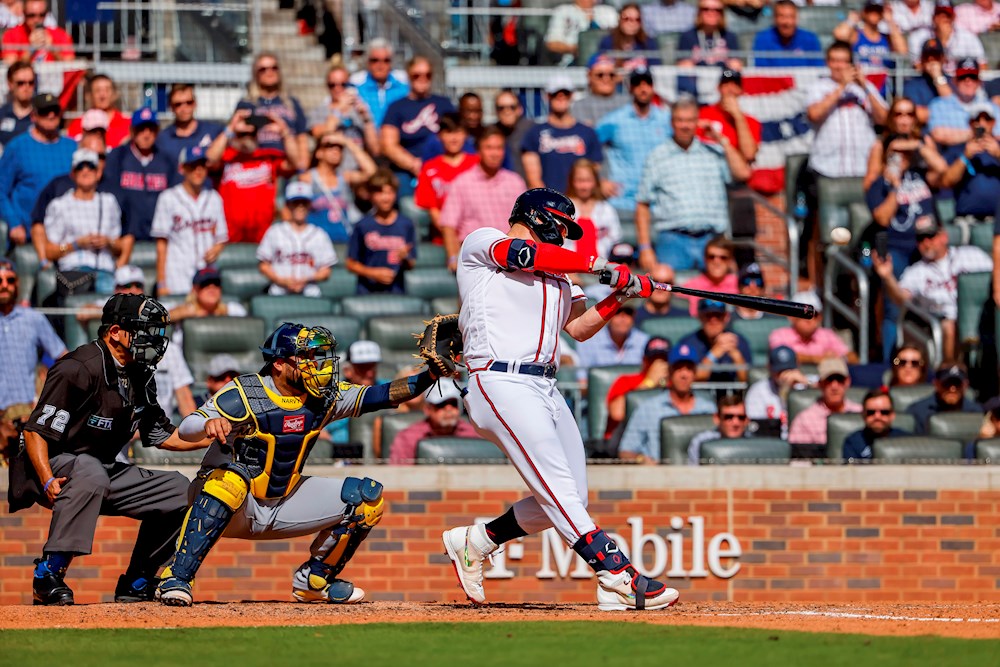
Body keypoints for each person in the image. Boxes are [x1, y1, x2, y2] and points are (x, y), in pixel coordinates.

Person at [441, 187, 682, 611]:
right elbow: (522, 254)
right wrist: (599, 265)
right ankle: (616, 574)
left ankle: (476, 541)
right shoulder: (482, 242)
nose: (565, 234)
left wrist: (622, 295)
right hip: (499, 379)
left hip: (546, 386)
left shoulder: (561, 273)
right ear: (538, 216)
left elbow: (580, 328)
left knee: (572, 496)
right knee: (560, 491)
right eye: (562, 225)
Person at [155, 322, 445, 606]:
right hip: (230, 504)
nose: (315, 364)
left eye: (315, 356)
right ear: (279, 364)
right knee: (230, 481)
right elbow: (188, 427)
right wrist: (208, 423)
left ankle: (314, 582)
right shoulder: (245, 392)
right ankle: (177, 577)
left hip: (284, 498)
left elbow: (381, 395)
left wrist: (430, 375)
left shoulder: (325, 396)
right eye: (304, 357)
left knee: (366, 500)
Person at [9, 294, 210, 605]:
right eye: (144, 330)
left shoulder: (140, 373)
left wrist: (217, 436)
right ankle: (48, 574)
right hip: (49, 465)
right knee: (90, 470)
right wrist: (47, 480)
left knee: (179, 490)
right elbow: (35, 432)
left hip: (100, 469)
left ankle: (137, 580)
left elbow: (163, 435)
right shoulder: (77, 367)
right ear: (115, 332)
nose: (153, 339)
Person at [635, 95, 751, 272]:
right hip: (673, 240)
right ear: (672, 122)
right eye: (680, 120)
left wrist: (721, 139)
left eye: (690, 120)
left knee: (720, 288)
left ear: (698, 122)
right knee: (670, 288)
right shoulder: (656, 156)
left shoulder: (713, 152)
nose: (685, 125)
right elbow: (643, 204)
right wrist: (645, 247)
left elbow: (743, 173)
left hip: (712, 239)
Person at [873, 216, 992, 362]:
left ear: (944, 236)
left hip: (980, 318)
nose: (926, 242)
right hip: (940, 322)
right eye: (921, 239)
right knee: (950, 325)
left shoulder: (971, 255)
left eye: (930, 236)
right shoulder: (916, 271)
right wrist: (888, 277)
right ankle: (950, 369)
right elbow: (900, 298)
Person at [207, 103, 300, 243]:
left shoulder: (268, 157)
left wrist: (284, 131)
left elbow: (295, 162)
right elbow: (210, 160)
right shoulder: (226, 157)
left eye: (252, 134)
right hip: (229, 237)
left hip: (263, 237)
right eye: (242, 134)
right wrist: (230, 128)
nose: (247, 138)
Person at [439, 126, 526, 272]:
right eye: (489, 148)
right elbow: (448, 226)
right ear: (479, 151)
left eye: (499, 148)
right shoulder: (462, 183)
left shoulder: (515, 182)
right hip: (476, 260)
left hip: (511, 258)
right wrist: (453, 258)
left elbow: (525, 224)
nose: (495, 153)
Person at [40, 148, 125, 294]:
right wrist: (76, 244)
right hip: (74, 271)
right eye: (80, 167)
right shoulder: (60, 205)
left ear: (98, 173)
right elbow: (49, 251)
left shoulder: (109, 202)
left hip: (105, 270)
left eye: (90, 167)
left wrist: (107, 242)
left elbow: (119, 247)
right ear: (73, 174)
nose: (85, 171)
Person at [103, 108, 181, 264]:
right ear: (132, 131)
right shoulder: (117, 157)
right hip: (124, 239)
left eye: (151, 129)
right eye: (141, 129)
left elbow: (176, 198)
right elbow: (109, 197)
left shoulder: (167, 161)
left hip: (159, 238)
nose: (146, 134)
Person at [619, 343, 716, 464]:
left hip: (700, 473)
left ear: (695, 373)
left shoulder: (709, 408)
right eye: (678, 368)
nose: (684, 375)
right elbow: (625, 451)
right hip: (658, 472)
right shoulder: (648, 408)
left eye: (689, 369)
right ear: (669, 371)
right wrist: (642, 459)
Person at [151, 145, 228, 297]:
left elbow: (221, 237)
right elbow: (161, 244)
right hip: (177, 272)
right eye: (193, 166)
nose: (198, 171)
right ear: (182, 168)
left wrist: (217, 249)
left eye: (202, 166)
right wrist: (161, 282)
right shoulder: (168, 198)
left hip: (207, 273)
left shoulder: (214, 198)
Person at [0, 92, 75, 247]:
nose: (51, 115)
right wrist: (14, 223)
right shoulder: (17, 147)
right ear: (33, 116)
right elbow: (1, 189)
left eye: (55, 111)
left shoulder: (72, 147)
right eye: (44, 111)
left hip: (66, 236)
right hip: (27, 235)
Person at [596, 66, 672, 215]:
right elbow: (587, 145)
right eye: (637, 84)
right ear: (630, 88)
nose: (643, 88)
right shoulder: (614, 120)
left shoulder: (666, 120)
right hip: (623, 202)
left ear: (653, 87)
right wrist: (599, 181)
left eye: (647, 83)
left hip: (659, 202)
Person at [0, 258, 66, 419]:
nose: (4, 285)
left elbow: (64, 358)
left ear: (17, 283)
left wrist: (48, 392)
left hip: (28, 412)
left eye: (10, 280)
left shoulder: (33, 318)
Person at [380, 56, 454, 196]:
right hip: (407, 169)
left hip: (442, 166)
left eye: (427, 75)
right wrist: (414, 164)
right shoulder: (396, 107)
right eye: (417, 75)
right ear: (409, 76)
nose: (422, 79)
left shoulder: (444, 104)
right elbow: (388, 145)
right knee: (406, 201)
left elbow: (456, 134)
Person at [522, 74, 603, 192]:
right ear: (547, 96)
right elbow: (534, 180)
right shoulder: (534, 133)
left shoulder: (587, 132)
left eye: (566, 93)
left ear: (572, 95)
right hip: (549, 199)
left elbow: (594, 171)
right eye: (555, 93)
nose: (561, 97)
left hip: (580, 199)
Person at [257, 182, 339, 297]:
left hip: (310, 291)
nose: (300, 207)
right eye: (296, 203)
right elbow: (263, 265)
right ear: (288, 205)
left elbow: (326, 271)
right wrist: (281, 280)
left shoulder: (319, 234)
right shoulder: (275, 231)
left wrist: (306, 279)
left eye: (304, 203)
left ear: (309, 204)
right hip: (279, 291)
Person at [346, 169, 416, 295]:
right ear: (371, 195)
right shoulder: (362, 225)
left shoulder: (406, 224)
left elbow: (411, 263)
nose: (385, 198)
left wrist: (405, 257)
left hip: (396, 292)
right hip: (367, 292)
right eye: (380, 192)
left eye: (390, 192)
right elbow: (350, 263)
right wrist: (373, 273)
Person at [301, 131, 376, 244]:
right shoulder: (307, 178)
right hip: (315, 243)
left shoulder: (344, 177)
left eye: (340, 148)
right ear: (318, 153)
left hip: (343, 240)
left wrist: (348, 142)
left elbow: (371, 172)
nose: (336, 150)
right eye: (330, 146)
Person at [414, 112, 479, 239]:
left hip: (475, 235)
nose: (454, 138)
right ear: (440, 136)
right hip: (443, 238)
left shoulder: (477, 164)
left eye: (458, 132)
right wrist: (452, 239)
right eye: (449, 132)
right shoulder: (429, 168)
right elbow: (433, 211)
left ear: (466, 134)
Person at [242, 52, 309, 172]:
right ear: (255, 74)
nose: (269, 72)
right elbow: (241, 140)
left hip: (289, 163)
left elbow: (302, 137)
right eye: (263, 69)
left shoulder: (291, 103)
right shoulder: (247, 104)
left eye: (274, 68)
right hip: (259, 166)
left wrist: (303, 167)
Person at [389, 382, 481, 464]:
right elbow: (399, 473)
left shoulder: (475, 435)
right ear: (427, 409)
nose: (448, 409)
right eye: (441, 404)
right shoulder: (408, 438)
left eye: (453, 403)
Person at [927, 59, 1000, 162]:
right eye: (963, 77)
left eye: (973, 77)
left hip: (985, 163)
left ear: (979, 82)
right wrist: (977, 133)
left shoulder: (991, 107)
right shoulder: (939, 105)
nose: (968, 81)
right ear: (954, 81)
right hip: (952, 162)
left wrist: (958, 134)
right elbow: (938, 134)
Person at [938, 100, 1000, 219]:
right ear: (970, 123)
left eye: (987, 119)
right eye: (977, 119)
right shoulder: (959, 149)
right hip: (968, 220)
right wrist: (964, 157)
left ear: (994, 122)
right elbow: (946, 182)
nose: (981, 124)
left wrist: (998, 154)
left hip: (997, 220)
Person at [604, 336, 670, 439]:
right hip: (624, 438)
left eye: (664, 360)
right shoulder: (626, 381)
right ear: (644, 361)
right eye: (653, 360)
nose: (658, 366)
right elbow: (617, 413)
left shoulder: (674, 384)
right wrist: (649, 383)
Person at [788, 358, 862, 449]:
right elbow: (799, 455)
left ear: (847, 382)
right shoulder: (804, 420)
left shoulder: (862, 413)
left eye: (840, 379)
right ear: (820, 384)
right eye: (829, 380)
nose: (834, 386)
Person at [308, 62, 379, 157]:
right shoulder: (319, 110)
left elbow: (375, 150)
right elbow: (319, 134)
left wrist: (366, 119)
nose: (337, 88)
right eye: (332, 85)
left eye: (343, 84)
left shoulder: (359, 111)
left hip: (357, 165)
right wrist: (339, 109)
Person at [695, 68, 761, 166]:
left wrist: (738, 116)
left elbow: (749, 155)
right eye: (726, 84)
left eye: (735, 85)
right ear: (719, 88)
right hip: (705, 166)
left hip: (735, 171)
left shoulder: (751, 121)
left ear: (741, 90)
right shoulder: (702, 114)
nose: (730, 89)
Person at [768, 291, 856, 364]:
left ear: (820, 317)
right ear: (791, 317)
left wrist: (840, 359)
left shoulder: (827, 335)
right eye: (803, 314)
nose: (809, 319)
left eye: (814, 314)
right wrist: (820, 359)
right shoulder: (779, 335)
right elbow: (780, 357)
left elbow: (853, 357)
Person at [676, 299, 752, 383]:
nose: (713, 321)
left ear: (726, 317)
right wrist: (714, 354)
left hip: (732, 391)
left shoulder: (738, 341)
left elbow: (745, 380)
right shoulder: (688, 344)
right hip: (700, 391)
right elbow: (689, 379)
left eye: (718, 316)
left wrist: (736, 354)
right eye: (708, 316)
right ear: (700, 317)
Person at [745, 345, 809, 438]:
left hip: (803, 439)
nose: (784, 375)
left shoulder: (807, 384)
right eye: (779, 371)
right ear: (769, 368)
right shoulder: (758, 390)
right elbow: (755, 426)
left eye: (788, 370)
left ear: (797, 366)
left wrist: (808, 387)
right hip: (772, 440)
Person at [564, 159, 621, 259]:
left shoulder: (606, 210)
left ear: (595, 182)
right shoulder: (563, 209)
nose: (584, 187)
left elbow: (616, 240)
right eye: (580, 181)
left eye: (588, 180)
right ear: (572, 181)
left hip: (601, 264)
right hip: (568, 264)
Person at [907, 0, 985, 73]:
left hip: (960, 79)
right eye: (940, 15)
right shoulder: (918, 37)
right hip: (929, 79)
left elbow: (983, 66)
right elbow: (917, 68)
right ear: (933, 18)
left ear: (953, 17)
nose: (944, 19)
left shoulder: (968, 37)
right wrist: (942, 40)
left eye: (947, 15)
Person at [155, 84, 225, 166]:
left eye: (189, 103)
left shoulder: (214, 132)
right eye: (178, 104)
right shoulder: (162, 139)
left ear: (195, 104)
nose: (184, 108)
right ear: (171, 107)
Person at [676, 0, 742, 85]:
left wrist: (722, 75)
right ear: (699, 12)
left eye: (717, 10)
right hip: (695, 82)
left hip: (722, 81)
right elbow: (684, 67)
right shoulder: (688, 36)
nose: (711, 13)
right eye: (706, 9)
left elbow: (735, 68)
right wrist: (703, 76)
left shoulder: (729, 36)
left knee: (734, 66)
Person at [832, 0, 908, 72]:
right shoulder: (856, 35)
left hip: (883, 80)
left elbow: (902, 51)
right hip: (860, 79)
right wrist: (851, 21)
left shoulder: (887, 38)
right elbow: (840, 36)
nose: (874, 13)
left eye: (878, 11)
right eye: (870, 10)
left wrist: (890, 21)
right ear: (864, 12)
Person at [575, 303, 650, 375]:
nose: (623, 318)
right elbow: (582, 378)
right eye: (617, 312)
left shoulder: (644, 341)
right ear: (607, 316)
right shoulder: (589, 341)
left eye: (628, 312)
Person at [906, 362, 980, 433]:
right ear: (936, 384)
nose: (952, 389)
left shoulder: (976, 413)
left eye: (957, 384)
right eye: (947, 383)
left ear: (965, 385)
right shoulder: (918, 411)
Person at [352, 38, 409, 129]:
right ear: (368, 62)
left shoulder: (404, 88)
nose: (380, 65)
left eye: (386, 60)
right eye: (375, 60)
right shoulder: (356, 88)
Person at [751, 0, 824, 68]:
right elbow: (761, 70)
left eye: (790, 17)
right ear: (774, 18)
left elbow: (818, 69)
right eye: (782, 16)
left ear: (796, 18)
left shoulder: (810, 39)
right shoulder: (762, 39)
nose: (786, 22)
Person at [544, 0, 619, 66]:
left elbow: (620, 37)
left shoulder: (608, 11)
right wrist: (581, 50)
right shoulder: (563, 11)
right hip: (571, 64)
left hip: (606, 63)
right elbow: (551, 44)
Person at [843, 387, 909, 462]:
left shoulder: (906, 441)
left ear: (892, 415)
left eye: (884, 412)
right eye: (871, 412)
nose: (877, 417)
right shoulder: (853, 442)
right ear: (863, 415)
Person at [65, 74, 131, 148]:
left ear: (114, 94)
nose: (102, 95)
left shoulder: (128, 124)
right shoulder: (78, 124)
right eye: (97, 90)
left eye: (107, 90)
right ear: (89, 95)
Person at [680, 235, 738, 317]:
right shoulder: (692, 286)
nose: (716, 262)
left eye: (723, 257)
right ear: (704, 259)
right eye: (711, 257)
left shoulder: (740, 285)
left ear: (730, 261)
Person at [688, 393, 752, 465]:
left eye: (741, 417)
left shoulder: (754, 443)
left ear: (747, 420)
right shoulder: (701, 442)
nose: (735, 423)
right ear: (717, 419)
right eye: (728, 417)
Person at [0, 0, 73, 63]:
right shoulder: (11, 35)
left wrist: (53, 50)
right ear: (24, 13)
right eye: (31, 15)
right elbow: (10, 68)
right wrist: (31, 49)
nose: (36, 20)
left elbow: (70, 66)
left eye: (42, 15)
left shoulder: (60, 34)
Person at [570, 55, 630, 130]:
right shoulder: (580, 105)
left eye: (611, 75)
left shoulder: (628, 103)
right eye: (600, 75)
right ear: (589, 76)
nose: (606, 79)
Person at [903, 38, 954, 125]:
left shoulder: (953, 81)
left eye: (936, 56)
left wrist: (938, 77)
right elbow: (918, 114)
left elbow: (955, 106)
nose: (931, 60)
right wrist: (948, 113)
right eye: (927, 56)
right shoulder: (912, 84)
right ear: (922, 59)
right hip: (924, 130)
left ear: (943, 59)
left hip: (952, 128)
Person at [597, 3, 660, 70]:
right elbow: (600, 67)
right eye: (627, 19)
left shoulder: (648, 43)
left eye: (637, 19)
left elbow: (656, 68)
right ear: (619, 20)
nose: (632, 23)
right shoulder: (607, 42)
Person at [493, 90, 534, 180]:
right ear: (496, 111)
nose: (507, 111)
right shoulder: (491, 133)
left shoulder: (532, 130)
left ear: (520, 109)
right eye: (501, 108)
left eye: (512, 107)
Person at [0, 62, 35, 151]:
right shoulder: (2, 114)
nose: (26, 87)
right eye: (21, 83)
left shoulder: (42, 115)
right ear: (10, 84)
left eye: (31, 82)